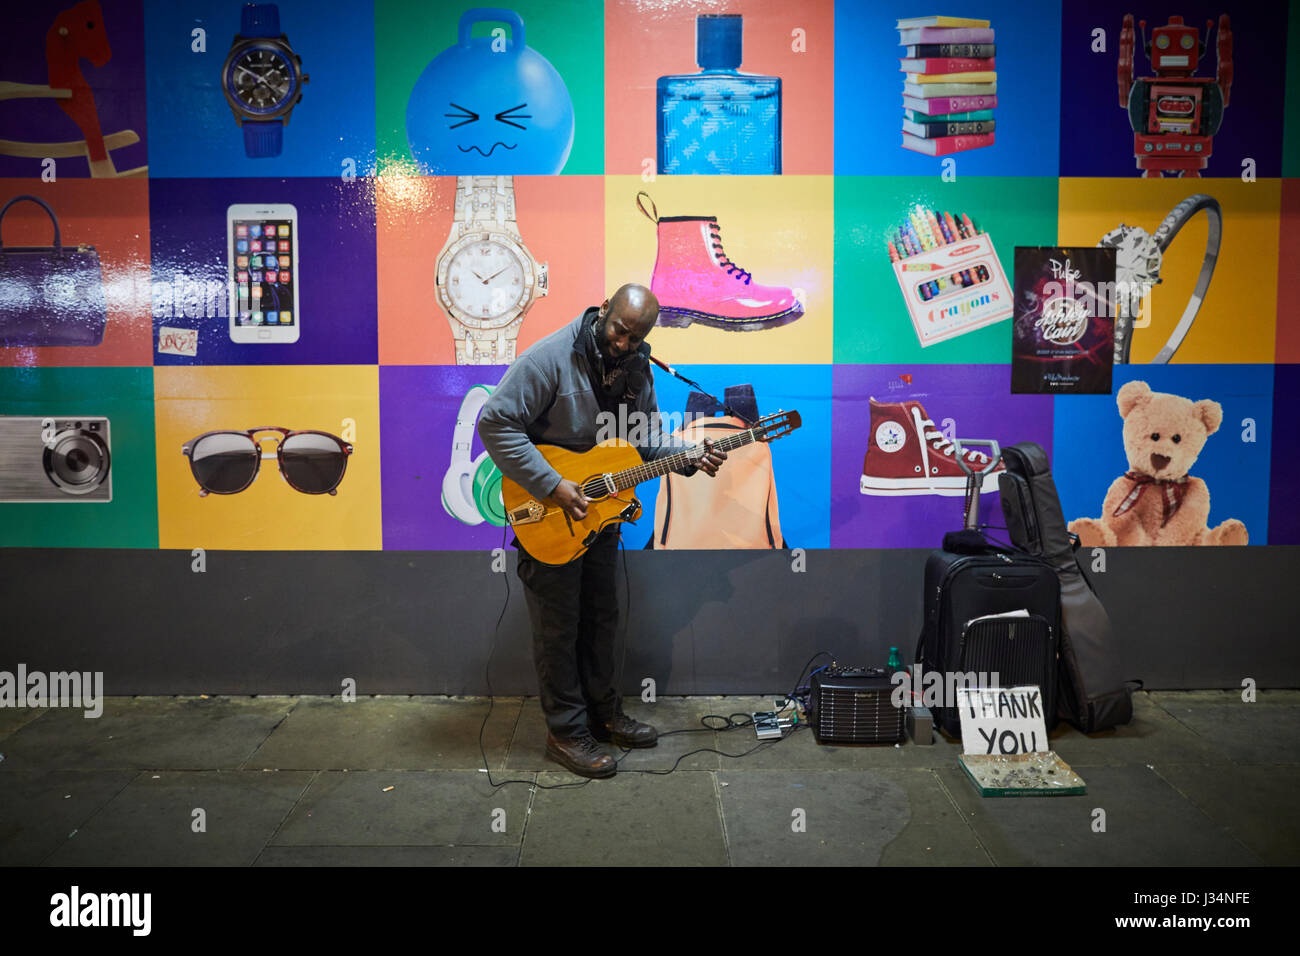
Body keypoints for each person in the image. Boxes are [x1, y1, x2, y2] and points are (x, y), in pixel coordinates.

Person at [478, 283, 727, 778]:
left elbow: (646, 440)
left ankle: (604, 717)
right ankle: (567, 735)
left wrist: (688, 458)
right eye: (619, 330)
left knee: (601, 621)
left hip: (601, 519)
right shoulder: (547, 359)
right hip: (548, 517)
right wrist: (551, 484)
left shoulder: (636, 367)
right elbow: (495, 422)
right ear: (603, 308)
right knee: (558, 630)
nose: (624, 344)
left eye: (637, 338)